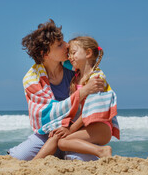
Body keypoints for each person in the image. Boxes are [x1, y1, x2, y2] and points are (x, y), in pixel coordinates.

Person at [8, 20, 105, 161]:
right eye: (59, 45)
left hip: (77, 129)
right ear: (45, 54)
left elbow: (94, 101)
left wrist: (70, 127)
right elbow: (45, 115)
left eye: (63, 41)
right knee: (18, 157)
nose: (67, 45)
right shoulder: (32, 80)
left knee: (79, 160)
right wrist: (82, 92)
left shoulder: (75, 69)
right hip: (48, 133)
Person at [33, 36, 120, 159]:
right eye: (69, 54)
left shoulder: (96, 78)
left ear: (88, 53)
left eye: (73, 53)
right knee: (58, 136)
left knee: (63, 141)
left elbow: (88, 111)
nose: (69, 57)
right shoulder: (76, 76)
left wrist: (71, 129)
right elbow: (58, 60)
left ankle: (102, 151)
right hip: (84, 125)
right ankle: (35, 163)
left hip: (100, 127)